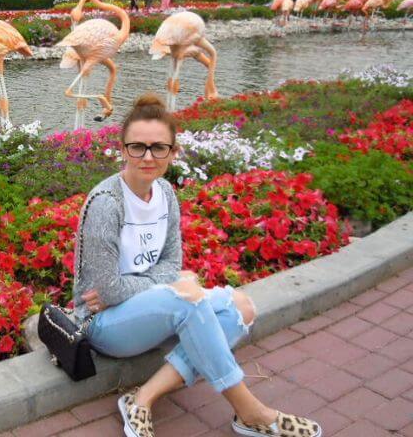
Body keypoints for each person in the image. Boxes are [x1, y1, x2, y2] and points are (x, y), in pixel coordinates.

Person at [72, 94, 322, 437]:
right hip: (103, 323)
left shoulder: (165, 195)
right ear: (122, 149)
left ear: (173, 152)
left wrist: (168, 281)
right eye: (137, 147)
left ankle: (143, 398)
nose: (147, 157)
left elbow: (172, 263)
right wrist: (170, 283)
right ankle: (250, 411)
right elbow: (110, 291)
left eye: (159, 147)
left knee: (242, 308)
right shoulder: (107, 203)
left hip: (150, 308)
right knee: (187, 298)